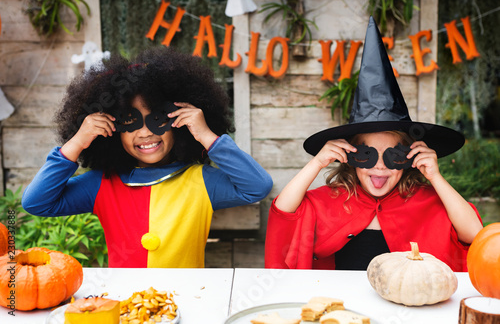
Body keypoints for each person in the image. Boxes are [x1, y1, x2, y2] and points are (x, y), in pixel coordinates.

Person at [264, 17, 483, 272]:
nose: (379, 167)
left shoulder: (428, 202)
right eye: (367, 155)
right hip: (345, 308)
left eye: (393, 156)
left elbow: (475, 235)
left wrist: (435, 177)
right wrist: (317, 162)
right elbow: (283, 214)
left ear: (410, 158)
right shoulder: (334, 200)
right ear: (349, 156)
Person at [22, 47, 273, 268]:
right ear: (111, 131)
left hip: (187, 303)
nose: (145, 132)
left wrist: (207, 135)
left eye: (158, 118)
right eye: (129, 121)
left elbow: (257, 187)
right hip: (126, 308)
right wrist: (77, 141)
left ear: (179, 121)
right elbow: (36, 202)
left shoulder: (201, 181)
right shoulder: (101, 185)